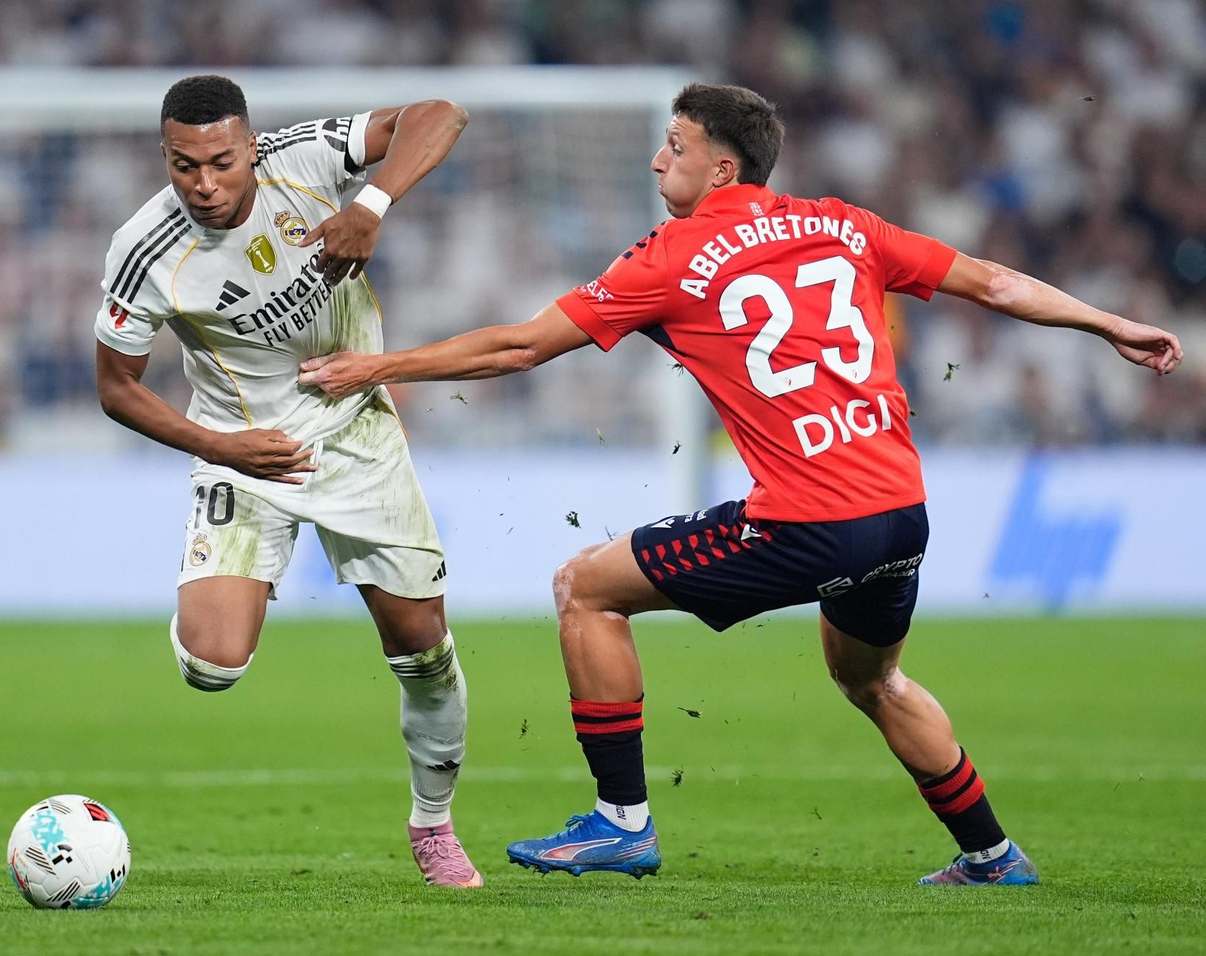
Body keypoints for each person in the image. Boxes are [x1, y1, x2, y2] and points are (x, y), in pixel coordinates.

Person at [298, 82, 1184, 885]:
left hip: (806, 520)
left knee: (585, 587)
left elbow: (524, 345)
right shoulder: (845, 224)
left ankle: (621, 822)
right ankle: (992, 855)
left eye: (675, 145)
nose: (658, 160)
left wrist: (377, 365)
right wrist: (1110, 323)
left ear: (723, 168)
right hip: (900, 515)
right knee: (873, 680)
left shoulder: (672, 256)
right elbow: (993, 281)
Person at [95, 74, 482, 887]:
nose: (204, 184)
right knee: (212, 664)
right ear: (164, 156)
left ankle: (433, 823)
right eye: (184, 165)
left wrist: (370, 203)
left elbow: (441, 114)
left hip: (355, 428)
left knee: (422, 647)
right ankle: (214, 569)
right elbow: (116, 388)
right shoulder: (144, 249)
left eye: (222, 162)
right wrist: (220, 448)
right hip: (245, 449)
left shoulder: (303, 158)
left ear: (250, 146)